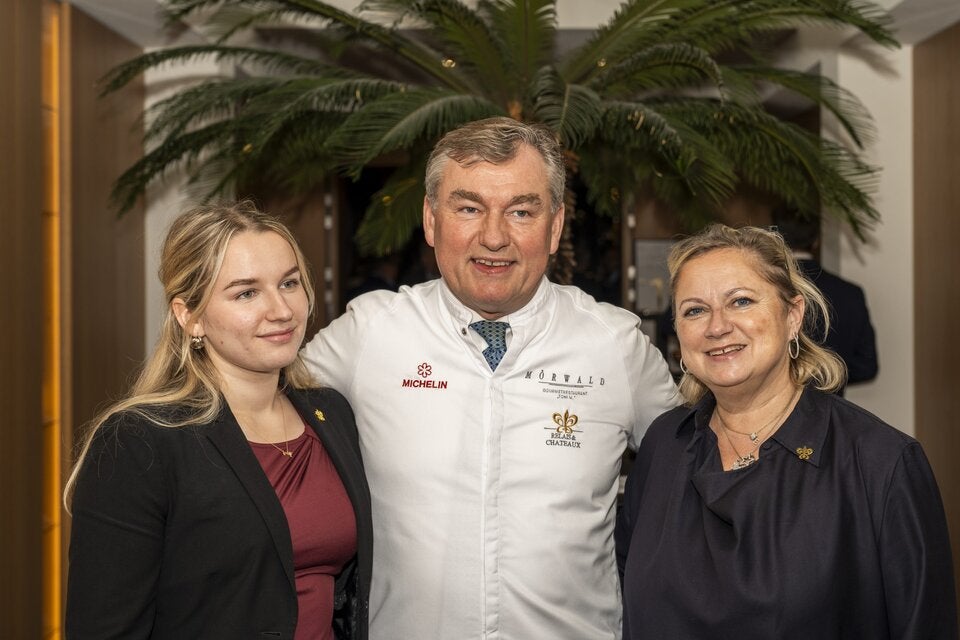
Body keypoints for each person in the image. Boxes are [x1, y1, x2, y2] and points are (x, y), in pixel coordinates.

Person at [302, 117, 680, 639]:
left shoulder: (614, 346)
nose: (494, 236)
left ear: (555, 226)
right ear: (431, 220)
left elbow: (700, 471)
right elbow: (257, 422)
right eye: (468, 208)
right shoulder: (367, 336)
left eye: (521, 211)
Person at [616, 224, 956, 639]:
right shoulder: (663, 446)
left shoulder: (881, 465)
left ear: (792, 316)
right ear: (679, 335)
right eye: (694, 310)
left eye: (741, 301)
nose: (717, 326)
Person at [65, 202, 372, 639]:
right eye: (246, 292)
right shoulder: (140, 441)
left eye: (289, 283)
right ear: (188, 316)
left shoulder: (331, 413)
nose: (281, 310)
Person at [773, 207, 878, 392]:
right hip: (833, 409)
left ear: (775, 241)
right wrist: (827, 376)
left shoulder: (769, 289)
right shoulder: (850, 292)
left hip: (777, 410)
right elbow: (866, 367)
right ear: (816, 242)